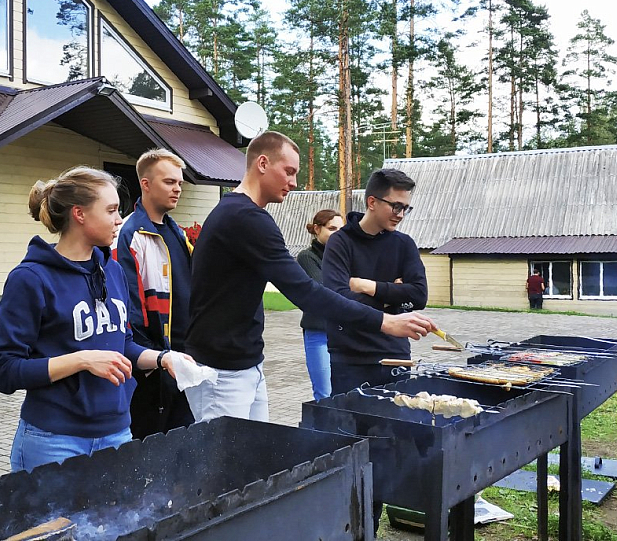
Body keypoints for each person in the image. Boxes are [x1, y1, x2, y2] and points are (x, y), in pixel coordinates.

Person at [184, 131, 435, 424]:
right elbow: (307, 291)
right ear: (262, 163)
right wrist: (385, 320)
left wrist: (369, 291)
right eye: (289, 172)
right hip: (221, 371)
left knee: (250, 460)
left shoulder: (243, 214)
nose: (293, 182)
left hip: (244, 363)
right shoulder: (244, 218)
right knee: (225, 466)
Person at [0, 167, 181, 473]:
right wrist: (80, 360)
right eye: (110, 210)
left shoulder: (113, 271)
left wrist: (163, 359)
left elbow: (121, 345)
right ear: (79, 214)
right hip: (53, 441)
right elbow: (4, 370)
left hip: (117, 434)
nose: (119, 220)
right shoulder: (30, 279)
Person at [322, 168, 428, 395]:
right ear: (372, 202)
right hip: (349, 358)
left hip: (395, 355)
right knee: (348, 428)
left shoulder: (404, 244)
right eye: (396, 206)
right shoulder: (339, 243)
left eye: (406, 208)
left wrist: (367, 286)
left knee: (397, 427)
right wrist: (392, 298)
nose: (400, 214)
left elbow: (419, 296)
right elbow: (336, 299)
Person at [114, 148, 194, 439]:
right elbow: (129, 307)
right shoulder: (131, 234)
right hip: (153, 368)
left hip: (182, 361)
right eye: (169, 182)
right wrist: (153, 361)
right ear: (145, 184)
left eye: (180, 183)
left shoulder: (178, 233)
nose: (177, 189)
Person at [296, 209, 344, 400]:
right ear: (317, 229)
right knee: (324, 393)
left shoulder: (344, 257)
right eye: (332, 229)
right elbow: (322, 289)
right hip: (319, 332)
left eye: (341, 230)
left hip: (343, 334)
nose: (337, 234)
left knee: (344, 391)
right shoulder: (307, 257)